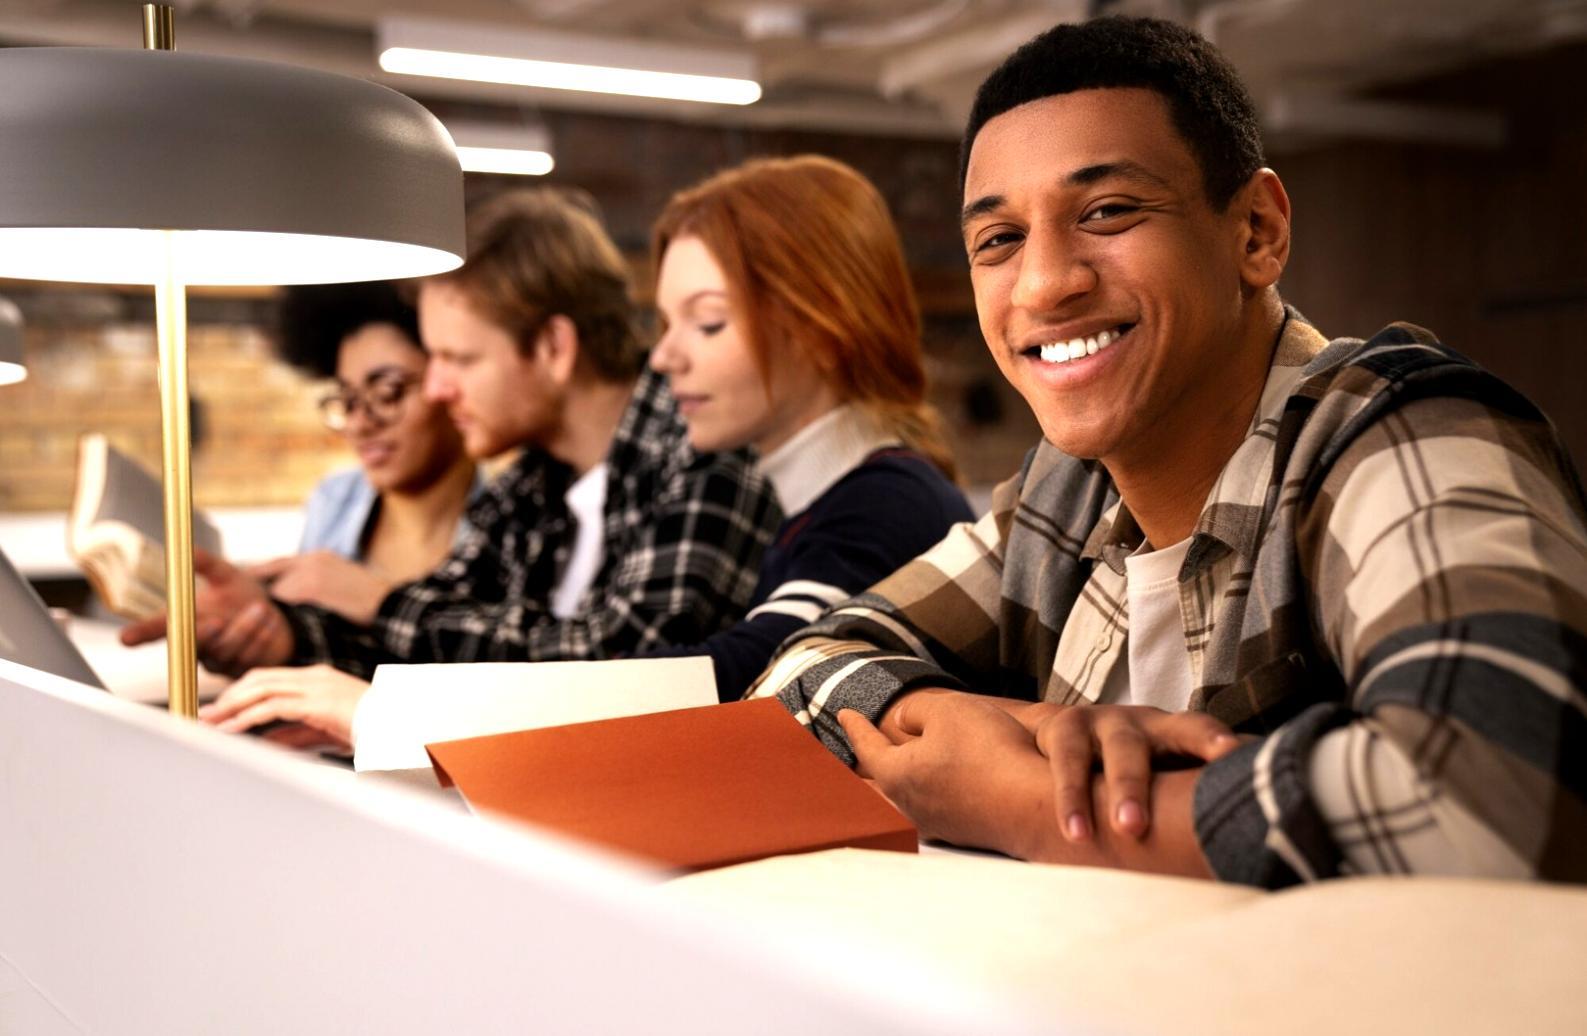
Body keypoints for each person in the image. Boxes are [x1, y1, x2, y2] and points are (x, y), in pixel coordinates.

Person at [747, 16, 1587, 886]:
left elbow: (1501, 800)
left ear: (1255, 232)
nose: (1042, 283)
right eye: (999, 240)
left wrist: (1023, 804)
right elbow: (799, 668)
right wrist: (960, 724)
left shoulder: (1403, 433)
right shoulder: (1062, 494)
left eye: (1108, 211)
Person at [124, 187, 780, 746]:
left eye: (457, 360)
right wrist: (281, 635)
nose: (436, 388)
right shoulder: (534, 484)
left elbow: (625, 670)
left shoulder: (699, 450)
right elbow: (440, 635)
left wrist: (378, 600)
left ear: (553, 347)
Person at [645, 155, 974, 701]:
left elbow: (760, 672)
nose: (663, 356)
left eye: (707, 322)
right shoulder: (840, 500)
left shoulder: (888, 504)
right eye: (664, 322)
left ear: (821, 327)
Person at [258, 281, 481, 606]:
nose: (360, 423)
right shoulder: (333, 503)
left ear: (447, 383)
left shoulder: (513, 523)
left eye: (389, 391)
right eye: (348, 400)